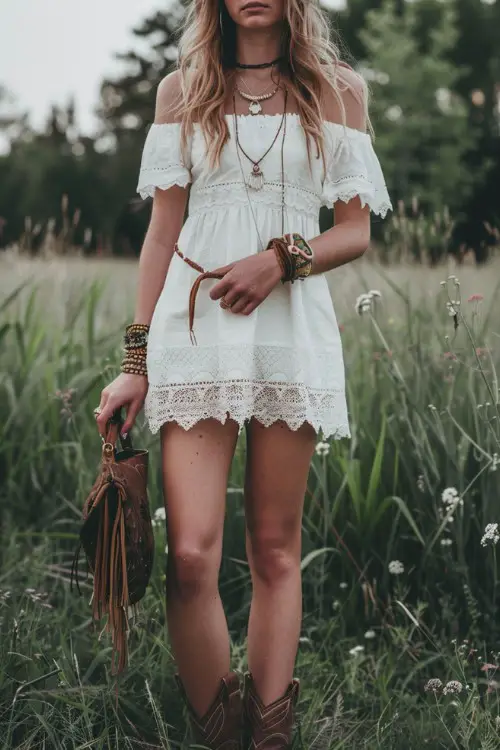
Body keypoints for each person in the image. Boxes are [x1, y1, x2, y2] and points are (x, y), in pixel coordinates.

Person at [95, 0, 392, 746]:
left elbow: (355, 230)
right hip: (194, 331)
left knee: (273, 546)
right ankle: (220, 734)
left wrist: (281, 260)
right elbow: (163, 231)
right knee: (191, 553)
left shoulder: (339, 89)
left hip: (289, 329)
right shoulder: (183, 89)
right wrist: (135, 363)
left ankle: (269, 735)